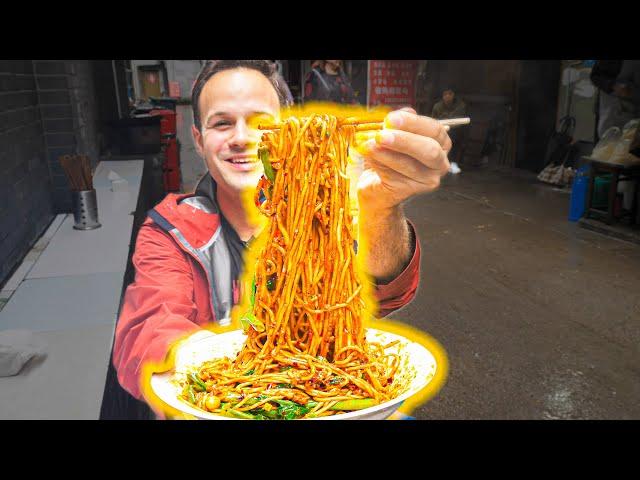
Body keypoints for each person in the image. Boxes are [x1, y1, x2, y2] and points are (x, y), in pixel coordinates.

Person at [113, 60, 452, 402]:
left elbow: (385, 290)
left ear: (286, 131)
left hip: (326, 393)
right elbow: (145, 329)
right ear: (199, 141)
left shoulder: (325, 215)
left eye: (260, 122)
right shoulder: (170, 229)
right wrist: (221, 376)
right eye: (222, 123)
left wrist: (382, 207)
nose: (242, 138)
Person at [591, 60, 640, 138]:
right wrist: (612, 85)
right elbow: (595, 76)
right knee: (607, 144)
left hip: (634, 116)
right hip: (612, 113)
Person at [432, 86, 467, 174]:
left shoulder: (460, 105)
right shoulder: (437, 106)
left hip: (456, 130)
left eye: (450, 94)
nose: (447, 96)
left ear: (453, 95)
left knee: (455, 137)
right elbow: (434, 120)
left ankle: (453, 163)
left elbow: (458, 120)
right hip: (441, 129)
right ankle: (439, 164)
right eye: (445, 94)